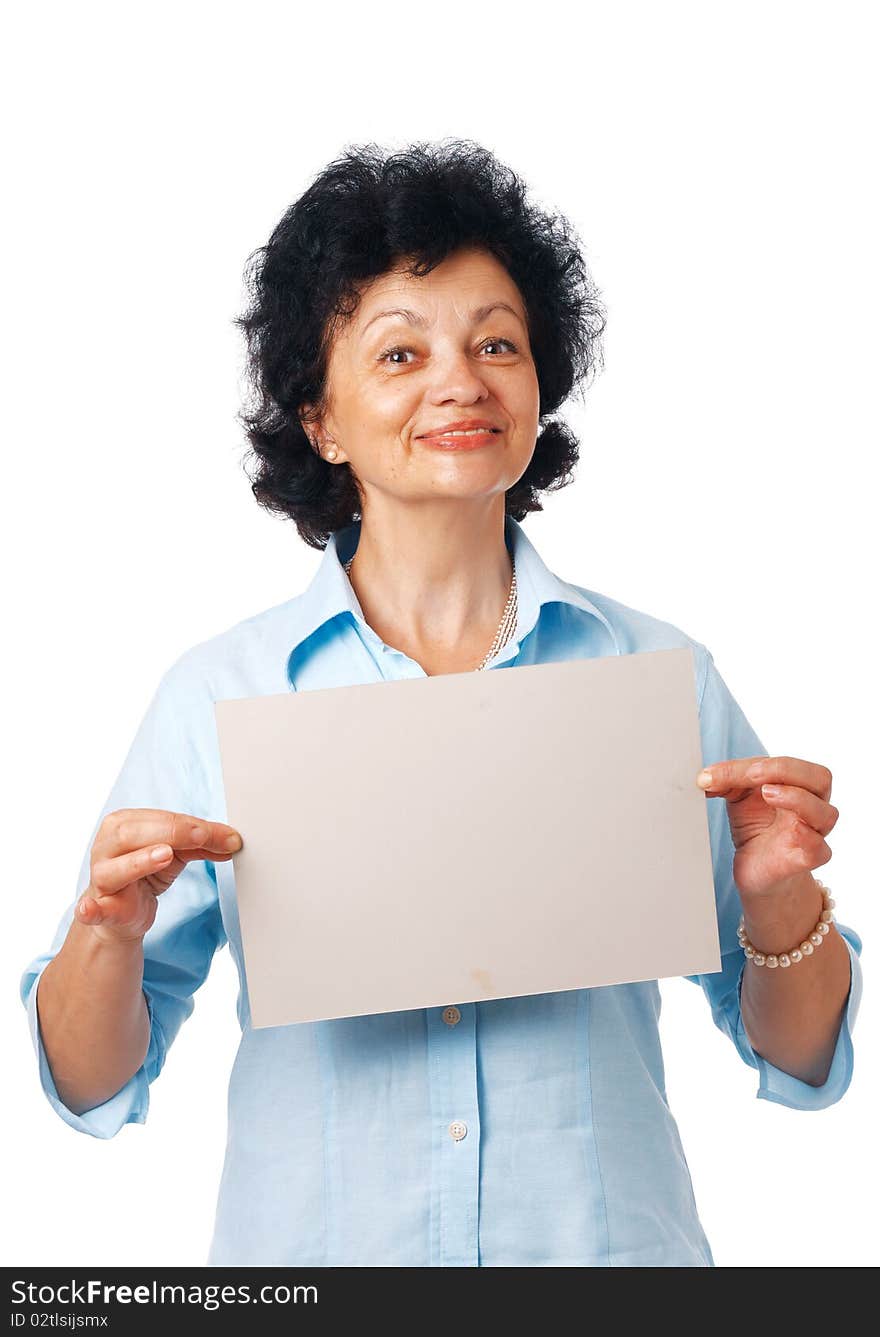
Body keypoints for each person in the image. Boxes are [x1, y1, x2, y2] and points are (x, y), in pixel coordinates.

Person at [21, 139, 862, 1268]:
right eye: (401, 351)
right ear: (320, 416)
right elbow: (88, 1080)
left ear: (536, 385)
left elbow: (801, 1057)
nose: (460, 380)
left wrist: (778, 897)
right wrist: (108, 938)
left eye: (496, 343)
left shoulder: (656, 674)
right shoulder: (221, 694)